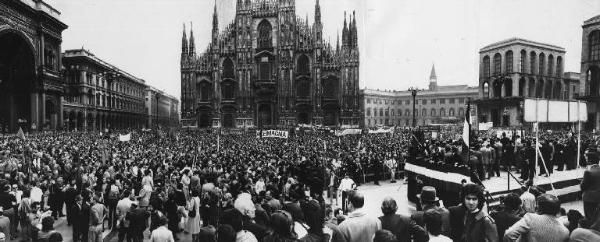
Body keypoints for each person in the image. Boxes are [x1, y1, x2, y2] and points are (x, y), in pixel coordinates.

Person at [504, 194, 569, 242]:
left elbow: (509, 235)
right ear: (557, 210)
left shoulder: (531, 218)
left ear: (539, 208)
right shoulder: (565, 231)